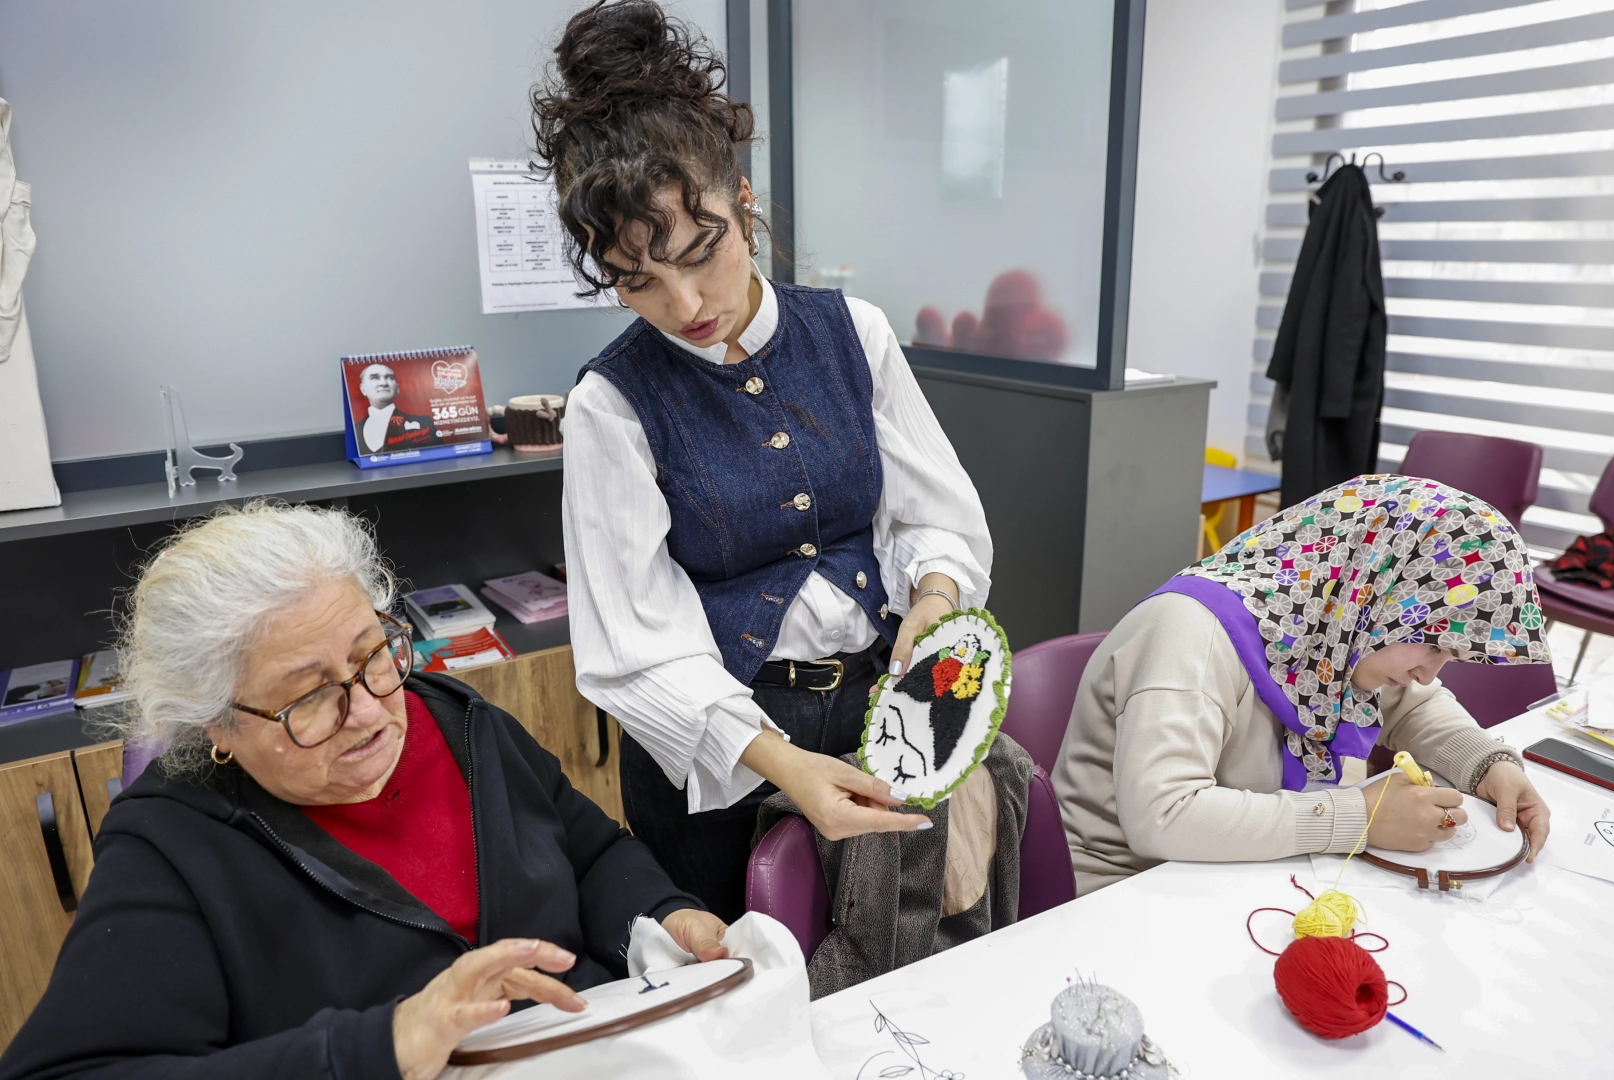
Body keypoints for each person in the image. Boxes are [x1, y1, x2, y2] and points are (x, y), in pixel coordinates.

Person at [534, 0, 992, 920]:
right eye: (638, 281)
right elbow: (635, 650)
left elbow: (932, 513)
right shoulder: (610, 406)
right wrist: (781, 763)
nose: (686, 300)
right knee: (742, 1001)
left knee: (888, 966)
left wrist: (934, 601)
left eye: (702, 251)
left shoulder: (852, 335)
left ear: (743, 204)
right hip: (720, 760)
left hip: (876, 712)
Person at [0, 502, 727, 1080]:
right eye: (310, 697)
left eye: (371, 654)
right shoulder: (172, 847)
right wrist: (385, 1045)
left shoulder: (461, 723)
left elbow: (593, 854)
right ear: (216, 725)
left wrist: (662, 916)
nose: (374, 712)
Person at [1052, 474, 1553, 897]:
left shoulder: (1338, 621)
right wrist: (1358, 818)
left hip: (1246, 874)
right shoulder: (1188, 632)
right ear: (1378, 589)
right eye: (1432, 645)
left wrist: (1488, 763)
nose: (1430, 672)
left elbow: (1411, 704)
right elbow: (1164, 814)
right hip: (1128, 890)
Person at [356, 363, 435, 453]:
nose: (383, 383)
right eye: (375, 378)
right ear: (363, 389)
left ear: (397, 389)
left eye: (390, 378)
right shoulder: (355, 430)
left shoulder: (423, 423)